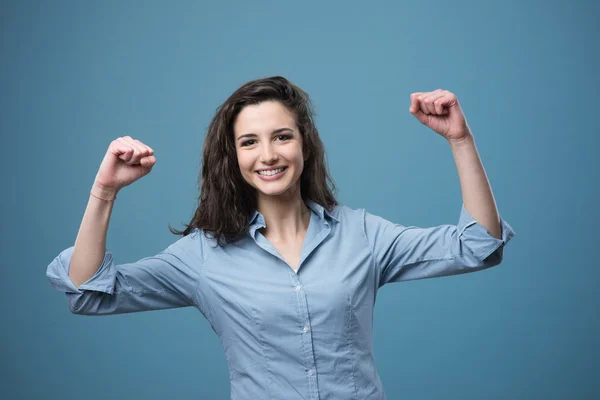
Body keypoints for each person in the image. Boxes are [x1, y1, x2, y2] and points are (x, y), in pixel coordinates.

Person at [46, 76, 516, 399]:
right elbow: (87, 293)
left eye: (282, 137)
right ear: (232, 156)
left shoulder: (363, 235)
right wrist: (104, 191)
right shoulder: (204, 256)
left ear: (304, 145)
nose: (268, 155)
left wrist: (460, 140)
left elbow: (478, 247)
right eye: (249, 141)